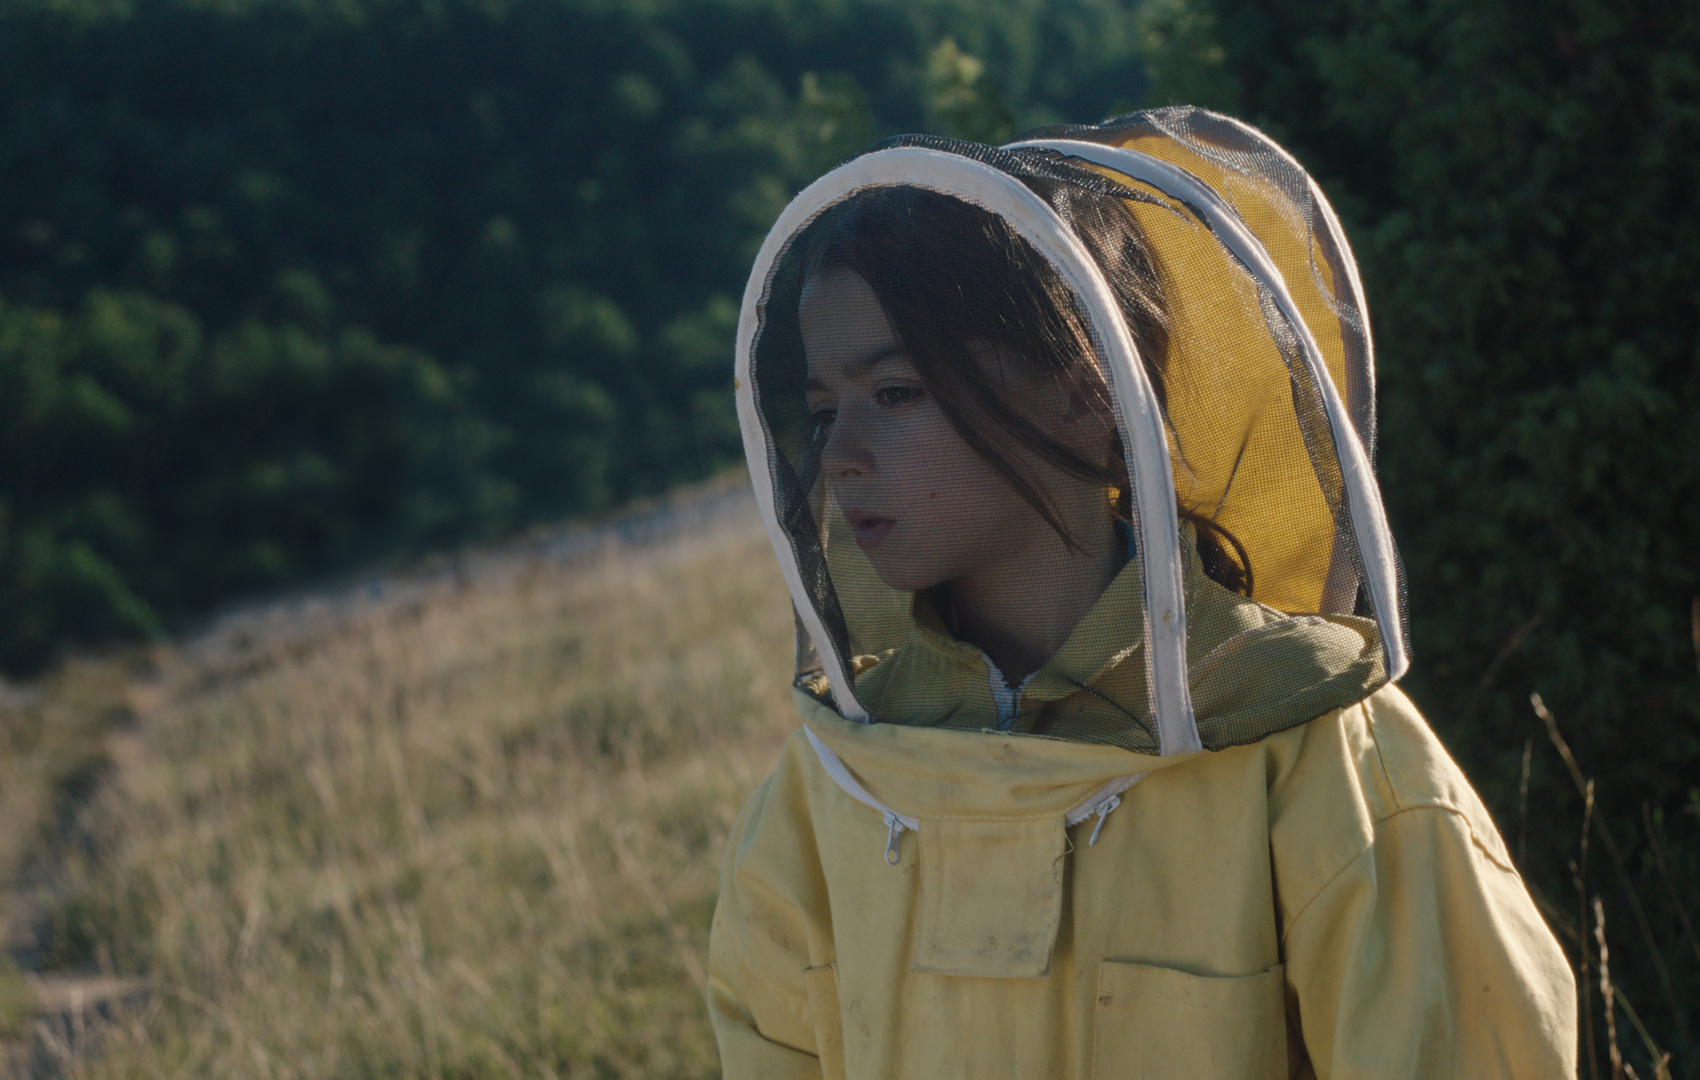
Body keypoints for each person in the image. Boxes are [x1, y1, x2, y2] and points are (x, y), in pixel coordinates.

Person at [710, 106, 1577, 1079]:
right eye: (823, 409)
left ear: (1087, 390)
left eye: (896, 393)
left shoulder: (1310, 752)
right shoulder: (829, 786)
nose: (841, 458)